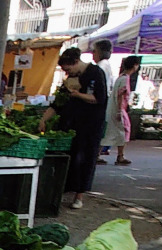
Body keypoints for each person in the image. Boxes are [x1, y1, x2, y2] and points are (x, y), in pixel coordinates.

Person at [39, 47, 108, 209]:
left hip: (90, 126)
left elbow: (99, 98)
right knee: (69, 158)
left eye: (68, 69)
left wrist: (77, 95)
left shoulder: (95, 73)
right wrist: (43, 119)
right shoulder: (70, 78)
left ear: (76, 62)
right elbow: (57, 104)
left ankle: (79, 196)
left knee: (84, 159)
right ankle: (62, 191)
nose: (67, 72)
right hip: (70, 124)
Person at [103, 55, 140, 166]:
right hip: (118, 109)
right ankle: (120, 156)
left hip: (114, 109)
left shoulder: (121, 77)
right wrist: (119, 110)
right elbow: (121, 95)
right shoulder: (125, 79)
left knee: (110, 132)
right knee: (123, 131)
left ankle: (101, 155)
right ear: (135, 66)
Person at [94, 39, 114, 163]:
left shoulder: (100, 67)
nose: (93, 54)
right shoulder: (106, 65)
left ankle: (95, 154)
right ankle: (97, 154)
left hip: (99, 104)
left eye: (94, 51)